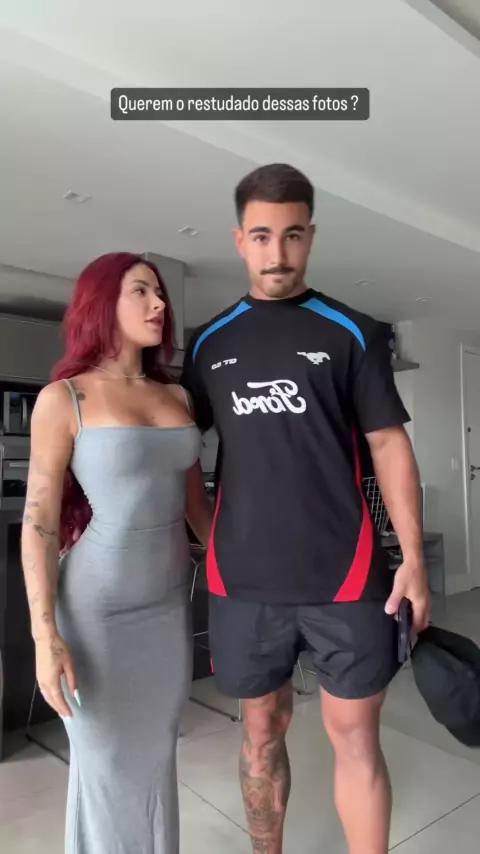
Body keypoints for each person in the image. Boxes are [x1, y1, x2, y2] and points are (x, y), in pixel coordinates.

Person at [181, 163, 431, 854]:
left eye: (292, 235)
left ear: (311, 237)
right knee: (261, 732)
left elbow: (389, 444)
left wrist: (413, 559)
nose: (278, 253)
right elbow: (181, 445)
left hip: (345, 577)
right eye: (262, 236)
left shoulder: (353, 332)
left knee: (356, 738)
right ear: (240, 240)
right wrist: (205, 528)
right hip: (243, 585)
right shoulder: (208, 342)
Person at [21, 252, 212, 854]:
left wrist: (243, 569)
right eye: (141, 291)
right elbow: (39, 521)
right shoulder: (65, 398)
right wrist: (45, 635)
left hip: (167, 610)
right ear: (102, 302)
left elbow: (197, 508)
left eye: (160, 293)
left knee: (156, 757)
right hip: (95, 614)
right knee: (104, 767)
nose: (159, 304)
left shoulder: (178, 396)